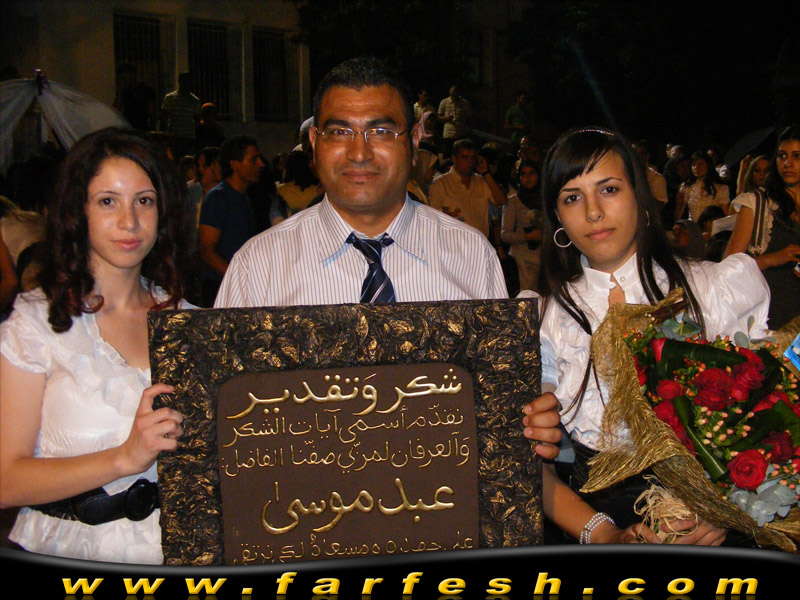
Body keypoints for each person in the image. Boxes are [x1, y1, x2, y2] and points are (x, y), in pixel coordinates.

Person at [214, 56, 562, 460]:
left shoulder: (471, 256)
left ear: (413, 140)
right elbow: (226, 422)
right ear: (314, 143)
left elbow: (492, 405)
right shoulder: (257, 268)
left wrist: (527, 420)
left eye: (380, 131)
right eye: (339, 131)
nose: (359, 153)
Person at [521, 127, 769, 544]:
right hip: (600, 523)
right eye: (572, 197)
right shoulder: (544, 318)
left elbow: (772, 427)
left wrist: (726, 511)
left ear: (639, 195)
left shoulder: (711, 289)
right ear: (557, 217)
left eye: (609, 189)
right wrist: (606, 536)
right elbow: (534, 469)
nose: (593, 212)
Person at [0, 128, 189, 562]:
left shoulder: (190, 321)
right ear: (78, 210)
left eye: (144, 200)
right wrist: (124, 458)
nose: (129, 221)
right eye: (108, 201)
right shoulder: (35, 323)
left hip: (181, 555)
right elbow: (6, 480)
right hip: (72, 554)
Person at [725, 126, 800, 329]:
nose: (788, 163)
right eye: (782, 156)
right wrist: (773, 258)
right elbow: (728, 268)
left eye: (797, 156)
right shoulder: (757, 203)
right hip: (768, 313)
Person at [198, 135, 264, 307]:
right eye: (253, 160)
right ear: (234, 164)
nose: (260, 164)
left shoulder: (244, 197)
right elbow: (206, 250)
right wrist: (237, 280)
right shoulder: (218, 198)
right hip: (220, 288)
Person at [428, 138, 508, 239]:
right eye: (465, 157)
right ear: (454, 159)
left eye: (472, 158)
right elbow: (432, 218)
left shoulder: (482, 182)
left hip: (479, 242)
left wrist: (486, 173)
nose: (469, 162)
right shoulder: (440, 184)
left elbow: (501, 201)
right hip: (452, 242)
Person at [502, 159, 543, 292]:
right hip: (522, 261)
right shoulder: (513, 201)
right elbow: (505, 234)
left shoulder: (547, 199)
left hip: (545, 259)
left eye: (532, 173)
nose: (527, 178)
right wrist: (527, 236)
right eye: (523, 174)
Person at [674, 152, 730, 222]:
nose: (696, 167)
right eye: (693, 165)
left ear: (708, 166)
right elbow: (679, 210)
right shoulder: (687, 186)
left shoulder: (720, 188)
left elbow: (726, 213)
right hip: (693, 226)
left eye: (700, 164)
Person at [160, 72, 201, 160]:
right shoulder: (170, 98)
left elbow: (197, 120)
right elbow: (164, 118)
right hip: (174, 137)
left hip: (187, 137)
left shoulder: (194, 100)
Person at [437, 85, 472, 159]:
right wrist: (446, 118)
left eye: (454, 95)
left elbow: (469, 118)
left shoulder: (464, 103)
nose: (453, 97)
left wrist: (469, 131)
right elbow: (438, 116)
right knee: (447, 157)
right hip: (448, 134)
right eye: (451, 95)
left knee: (459, 157)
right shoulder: (444, 102)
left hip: (460, 134)